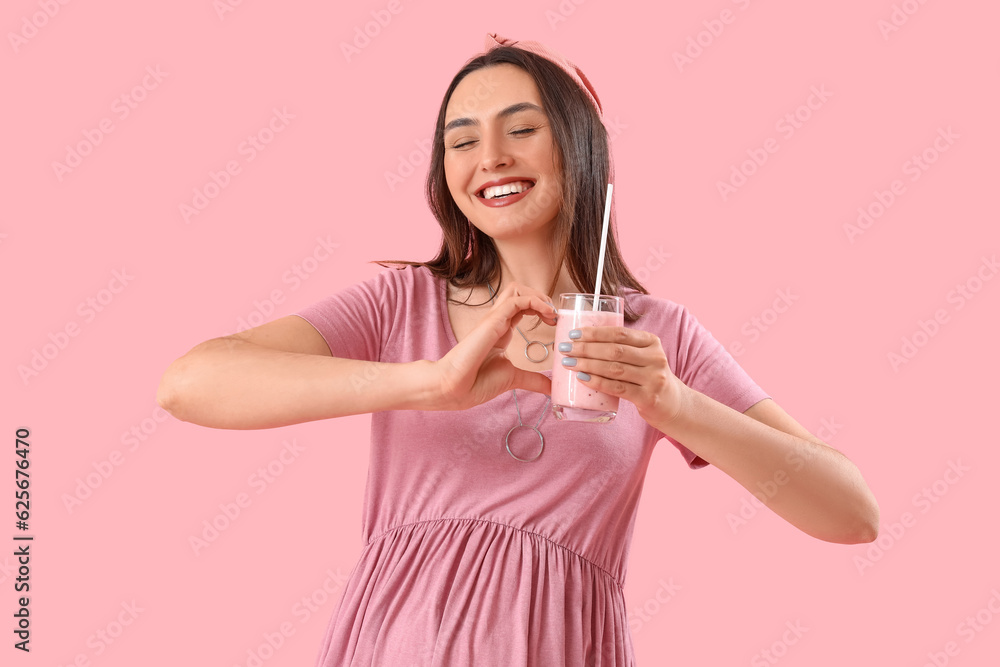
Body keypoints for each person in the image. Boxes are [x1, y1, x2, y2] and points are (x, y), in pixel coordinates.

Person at [157, 33, 879, 667]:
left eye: (521, 129)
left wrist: (674, 403)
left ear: (580, 148)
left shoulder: (657, 336)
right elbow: (189, 383)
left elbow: (852, 512)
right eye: (462, 140)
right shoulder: (399, 303)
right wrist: (429, 384)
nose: (491, 157)